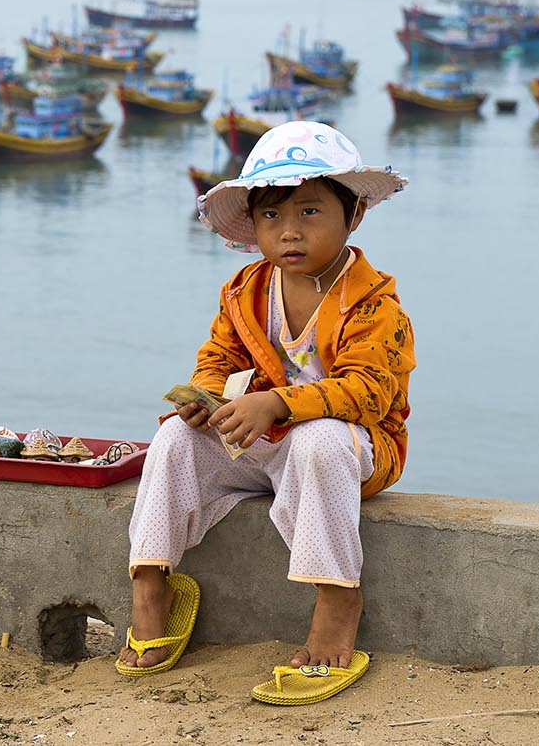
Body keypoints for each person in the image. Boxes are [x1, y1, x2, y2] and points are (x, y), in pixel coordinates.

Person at [117, 120, 414, 706]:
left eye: (309, 212)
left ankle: (336, 600)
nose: (290, 232)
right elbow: (217, 357)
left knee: (318, 440)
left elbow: (368, 391)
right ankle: (152, 584)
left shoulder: (375, 301)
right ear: (253, 226)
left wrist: (276, 401)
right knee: (175, 438)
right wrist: (206, 398)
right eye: (272, 217)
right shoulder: (245, 289)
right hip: (264, 441)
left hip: (351, 450)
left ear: (352, 214)